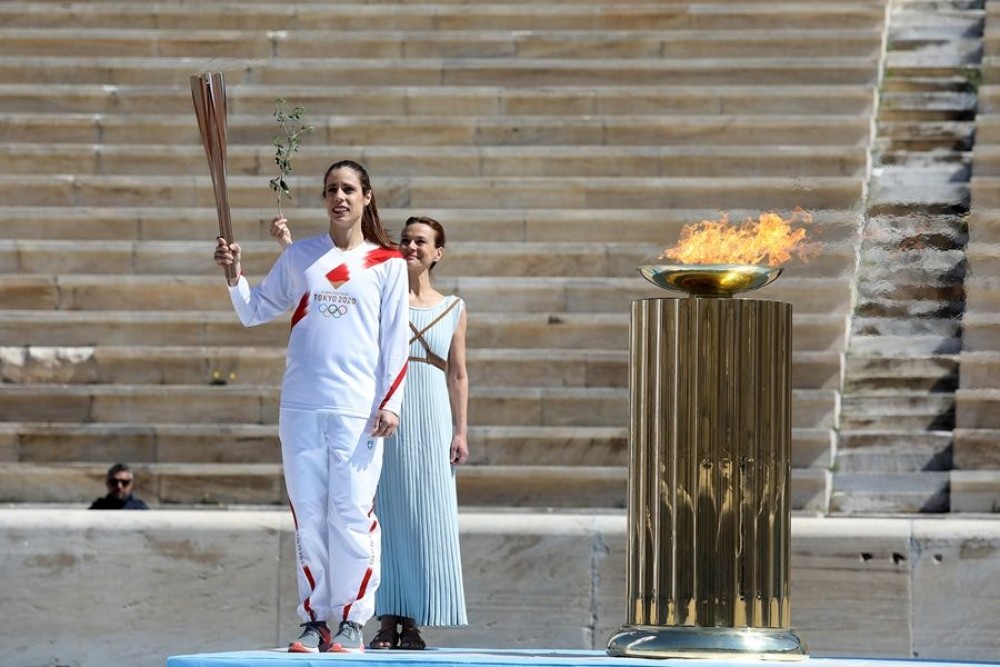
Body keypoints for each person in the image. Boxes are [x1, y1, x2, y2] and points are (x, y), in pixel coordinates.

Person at [214, 160, 409, 654]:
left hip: (358, 410)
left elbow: (394, 342)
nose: (338, 197)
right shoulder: (301, 257)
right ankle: (314, 619)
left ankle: (350, 619)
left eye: (348, 189)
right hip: (301, 406)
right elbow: (255, 310)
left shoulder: (387, 263)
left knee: (350, 512)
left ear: (366, 196)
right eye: (330, 190)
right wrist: (234, 271)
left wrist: (391, 404)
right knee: (309, 512)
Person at [272, 215, 469, 651]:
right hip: (376, 406)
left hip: (423, 412)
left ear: (439, 252)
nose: (411, 247)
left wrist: (460, 430)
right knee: (370, 512)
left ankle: (412, 617)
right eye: (405, 240)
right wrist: (290, 248)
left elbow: (458, 374)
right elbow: (330, 301)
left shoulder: (453, 306)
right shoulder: (382, 280)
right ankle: (377, 619)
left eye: (421, 242)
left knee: (418, 517)